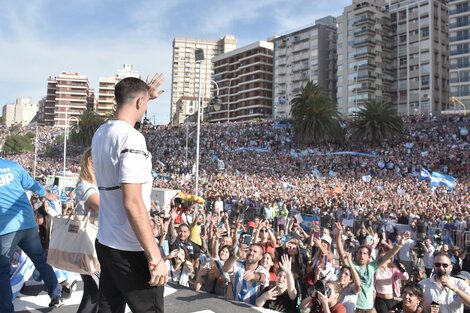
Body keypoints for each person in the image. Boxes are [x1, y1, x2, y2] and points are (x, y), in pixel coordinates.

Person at [91, 75, 168, 313]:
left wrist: (145, 98)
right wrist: (154, 255)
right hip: (130, 248)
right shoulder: (132, 138)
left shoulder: (101, 133)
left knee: (109, 308)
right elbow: (132, 202)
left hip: (107, 241)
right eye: (144, 103)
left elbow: (126, 123)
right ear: (139, 103)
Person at [0, 157, 61, 312]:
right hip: (27, 222)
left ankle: (6, 309)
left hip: (5, 228)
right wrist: (49, 196)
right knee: (40, 260)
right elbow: (33, 185)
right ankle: (55, 293)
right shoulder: (13, 166)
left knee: (2, 270)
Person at [335, 222, 407, 313]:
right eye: (360, 253)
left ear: (369, 257)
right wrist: (338, 235)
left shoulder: (372, 266)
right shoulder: (352, 265)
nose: (362, 255)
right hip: (356, 308)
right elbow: (341, 253)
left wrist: (399, 244)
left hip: (369, 308)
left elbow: (387, 256)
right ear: (356, 254)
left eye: (365, 253)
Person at [74, 148, 100, 313]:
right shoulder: (85, 185)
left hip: (95, 243)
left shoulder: (95, 185)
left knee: (96, 293)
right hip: (88, 244)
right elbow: (102, 207)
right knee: (93, 293)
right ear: (91, 162)